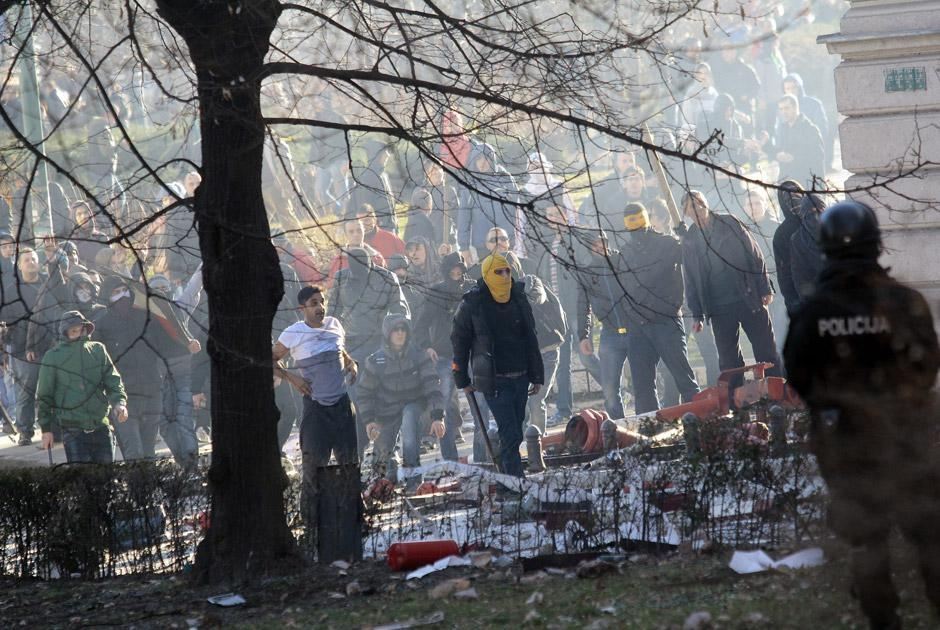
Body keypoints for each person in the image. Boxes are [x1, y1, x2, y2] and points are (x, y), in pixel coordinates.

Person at [783, 201, 940, 630]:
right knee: (930, 537)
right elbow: (928, 367)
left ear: (825, 248)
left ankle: (882, 620)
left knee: (868, 542)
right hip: (908, 439)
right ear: (877, 244)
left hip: (845, 445)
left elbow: (798, 375)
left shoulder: (812, 313)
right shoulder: (904, 302)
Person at [274, 286, 359, 538]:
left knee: (350, 464)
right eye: (314, 303)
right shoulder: (293, 333)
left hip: (342, 405)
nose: (320, 307)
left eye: (322, 302)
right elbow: (270, 358)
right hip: (316, 409)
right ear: (303, 309)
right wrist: (293, 378)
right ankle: (311, 523)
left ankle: (354, 520)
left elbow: (341, 350)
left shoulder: (334, 324)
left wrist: (352, 364)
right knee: (313, 468)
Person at [452, 252, 543, 477]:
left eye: (507, 271)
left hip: (520, 375)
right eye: (498, 272)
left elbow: (531, 337)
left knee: (517, 430)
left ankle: (506, 474)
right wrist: (461, 378)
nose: (504, 276)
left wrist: (536, 375)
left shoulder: (519, 297)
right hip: (495, 379)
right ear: (487, 274)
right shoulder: (473, 302)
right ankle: (514, 480)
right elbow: (459, 341)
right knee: (509, 431)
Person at [680, 190, 782, 390]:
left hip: (748, 297)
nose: (698, 208)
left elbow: (755, 254)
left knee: (766, 351)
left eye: (700, 203)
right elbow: (690, 279)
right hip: (718, 307)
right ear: (686, 212)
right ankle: (737, 404)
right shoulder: (690, 240)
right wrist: (697, 314)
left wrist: (764, 288)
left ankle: (777, 393)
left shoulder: (729, 223)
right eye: (692, 206)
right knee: (729, 362)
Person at [618, 203, 699, 413]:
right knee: (642, 385)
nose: (635, 225)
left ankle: (701, 419)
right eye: (631, 221)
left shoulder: (667, 244)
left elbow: (692, 259)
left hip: (666, 320)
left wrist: (686, 238)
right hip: (638, 326)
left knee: (683, 376)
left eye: (637, 219)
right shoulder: (625, 253)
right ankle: (648, 428)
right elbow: (623, 288)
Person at [357, 314, 444, 490]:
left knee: (410, 420)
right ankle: (383, 483)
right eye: (395, 329)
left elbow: (432, 386)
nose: (399, 333)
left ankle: (414, 481)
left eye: (403, 329)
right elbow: (365, 393)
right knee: (382, 459)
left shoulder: (419, 356)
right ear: (387, 333)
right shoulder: (375, 361)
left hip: (415, 408)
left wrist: (437, 417)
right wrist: (369, 421)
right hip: (385, 412)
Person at [94, 276, 172, 460]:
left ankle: (148, 488)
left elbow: (164, 344)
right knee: (134, 452)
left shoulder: (146, 318)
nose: (122, 295)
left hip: (151, 392)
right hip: (122, 397)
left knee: (149, 452)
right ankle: (138, 488)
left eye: (124, 290)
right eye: (116, 292)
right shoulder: (102, 326)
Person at [36, 311, 128, 464]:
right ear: (65, 332)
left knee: (107, 481)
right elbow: (44, 395)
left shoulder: (98, 350)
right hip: (73, 431)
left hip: (101, 425)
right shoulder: (53, 356)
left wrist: (119, 403)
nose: (78, 333)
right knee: (81, 483)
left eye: (81, 329)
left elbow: (113, 380)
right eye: (73, 330)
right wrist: (46, 429)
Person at [414, 252, 477, 461]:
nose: (456, 272)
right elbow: (421, 323)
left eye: (459, 268)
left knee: (479, 407)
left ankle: (483, 456)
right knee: (444, 408)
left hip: (472, 354)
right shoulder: (436, 292)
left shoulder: (473, 288)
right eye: (452, 269)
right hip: (444, 354)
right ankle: (450, 459)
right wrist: (426, 346)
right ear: (446, 270)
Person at [576, 230, 636, 420]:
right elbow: (582, 307)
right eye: (595, 244)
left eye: (602, 243)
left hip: (635, 329)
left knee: (644, 384)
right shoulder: (586, 273)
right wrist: (583, 335)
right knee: (610, 392)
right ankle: (618, 430)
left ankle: (649, 424)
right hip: (609, 334)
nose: (599, 247)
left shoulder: (621, 261)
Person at [1, 248, 47, 445]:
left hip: (48, 345)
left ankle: (52, 429)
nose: (31, 262)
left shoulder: (47, 285)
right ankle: (25, 431)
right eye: (26, 260)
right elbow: (5, 322)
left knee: (51, 390)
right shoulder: (12, 291)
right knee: (25, 392)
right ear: (19, 265)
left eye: (34, 259)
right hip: (22, 350)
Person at [457, 142, 519, 263]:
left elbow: (517, 211)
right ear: (474, 160)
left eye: (486, 158)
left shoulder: (505, 178)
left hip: (505, 242)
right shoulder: (470, 184)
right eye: (479, 159)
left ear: (492, 159)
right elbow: (463, 218)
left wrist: (515, 241)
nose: (483, 162)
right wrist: (464, 247)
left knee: (508, 278)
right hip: (482, 245)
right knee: (485, 279)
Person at [774, 94, 826, 187]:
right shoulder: (783, 128)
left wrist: (794, 157)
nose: (783, 112)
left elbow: (818, 155)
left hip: (808, 182)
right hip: (788, 181)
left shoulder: (810, 129)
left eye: (786, 108)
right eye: (781, 109)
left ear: (795, 107)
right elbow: (779, 150)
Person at [771, 180, 805, 316]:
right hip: (800, 298)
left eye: (797, 196)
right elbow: (784, 274)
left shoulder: (818, 221)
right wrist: (792, 303)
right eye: (788, 199)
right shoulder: (782, 234)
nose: (794, 202)